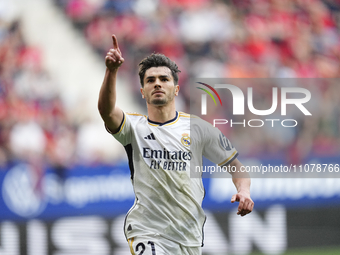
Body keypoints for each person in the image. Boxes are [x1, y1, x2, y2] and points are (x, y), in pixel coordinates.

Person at [98, 34, 254, 255]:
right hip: (147, 232)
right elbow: (106, 111)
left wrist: (244, 191)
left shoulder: (199, 129)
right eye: (150, 80)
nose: (158, 83)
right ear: (142, 92)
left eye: (164, 79)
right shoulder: (133, 127)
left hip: (188, 237)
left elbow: (237, 168)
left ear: (176, 89)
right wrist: (111, 71)